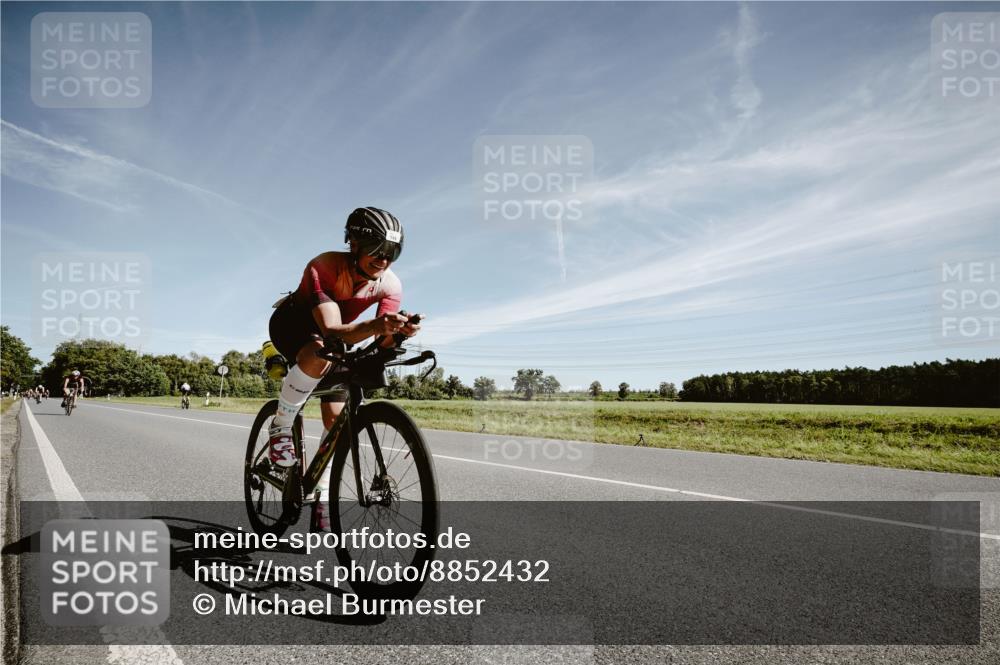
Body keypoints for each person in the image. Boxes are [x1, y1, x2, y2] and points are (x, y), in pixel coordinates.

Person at [267, 207, 421, 470]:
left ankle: (322, 489)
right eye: (376, 248)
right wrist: (376, 325)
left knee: (336, 423)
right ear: (354, 244)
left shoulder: (391, 285)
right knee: (318, 354)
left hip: (340, 338)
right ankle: (280, 426)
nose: (383, 259)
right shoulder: (324, 266)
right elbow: (331, 329)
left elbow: (381, 341)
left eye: (392, 252)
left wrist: (398, 334)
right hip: (294, 325)